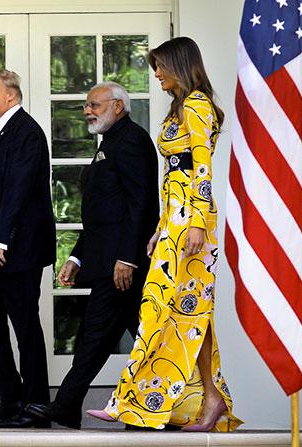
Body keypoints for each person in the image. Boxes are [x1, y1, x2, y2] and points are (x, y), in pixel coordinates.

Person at [85, 37, 243, 432]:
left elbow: (201, 170)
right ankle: (210, 397)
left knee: (162, 309)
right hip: (174, 224)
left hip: (192, 225)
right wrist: (160, 228)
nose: (156, 74)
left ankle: (132, 404)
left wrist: (196, 223)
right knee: (190, 313)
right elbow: (172, 177)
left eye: (160, 66)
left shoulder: (198, 105)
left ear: (180, 64)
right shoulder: (180, 107)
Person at [25, 81, 159, 429]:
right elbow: (101, 214)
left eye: (94, 105)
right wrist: (77, 258)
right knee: (139, 336)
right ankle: (154, 409)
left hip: (122, 264)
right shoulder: (109, 143)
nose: (88, 111)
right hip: (106, 259)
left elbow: (140, 204)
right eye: (87, 105)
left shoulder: (131, 140)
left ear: (118, 106)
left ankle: (70, 405)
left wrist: (128, 258)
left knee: (97, 334)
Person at [0, 69, 56, 429]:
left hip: (16, 250)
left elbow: (17, 190)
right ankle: (11, 396)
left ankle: (36, 405)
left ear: (12, 94)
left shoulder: (26, 131)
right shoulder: (2, 131)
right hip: (0, 252)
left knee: (24, 325)